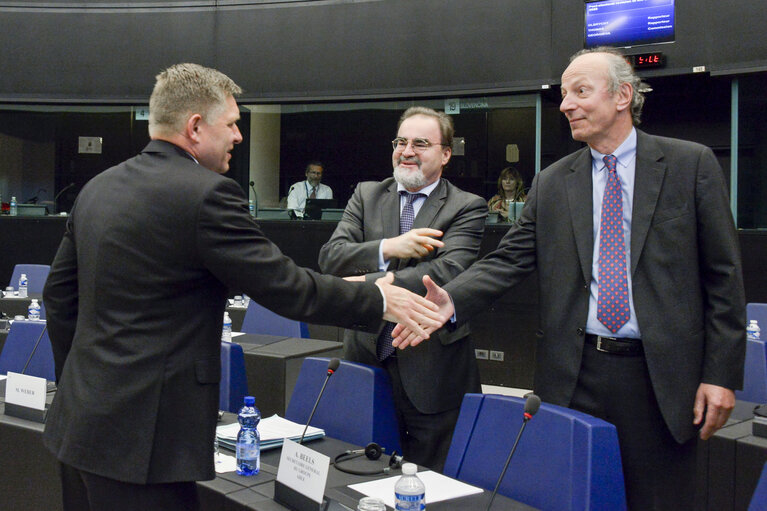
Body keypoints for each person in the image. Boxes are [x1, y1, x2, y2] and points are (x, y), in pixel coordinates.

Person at [41, 63, 442, 511]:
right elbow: (288, 287)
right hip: (145, 444)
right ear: (195, 127)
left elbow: (58, 299)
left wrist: (81, 386)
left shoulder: (98, 187)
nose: (238, 136)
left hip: (77, 429)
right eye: (231, 124)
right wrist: (379, 297)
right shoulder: (207, 194)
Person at [393, 48, 746, 510]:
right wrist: (450, 302)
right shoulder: (554, 182)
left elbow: (724, 277)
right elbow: (508, 260)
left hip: (659, 378)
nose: (565, 105)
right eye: (563, 94)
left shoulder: (690, 166)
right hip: (573, 374)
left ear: (623, 95)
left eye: (580, 91)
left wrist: (719, 375)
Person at [318, 106, 487, 472]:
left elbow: (447, 271)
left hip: (432, 370)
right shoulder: (366, 195)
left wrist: (365, 283)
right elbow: (331, 258)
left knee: (430, 483)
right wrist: (388, 248)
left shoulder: (466, 207)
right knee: (361, 472)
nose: (407, 151)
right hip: (365, 359)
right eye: (401, 141)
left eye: (420, 143)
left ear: (445, 154)